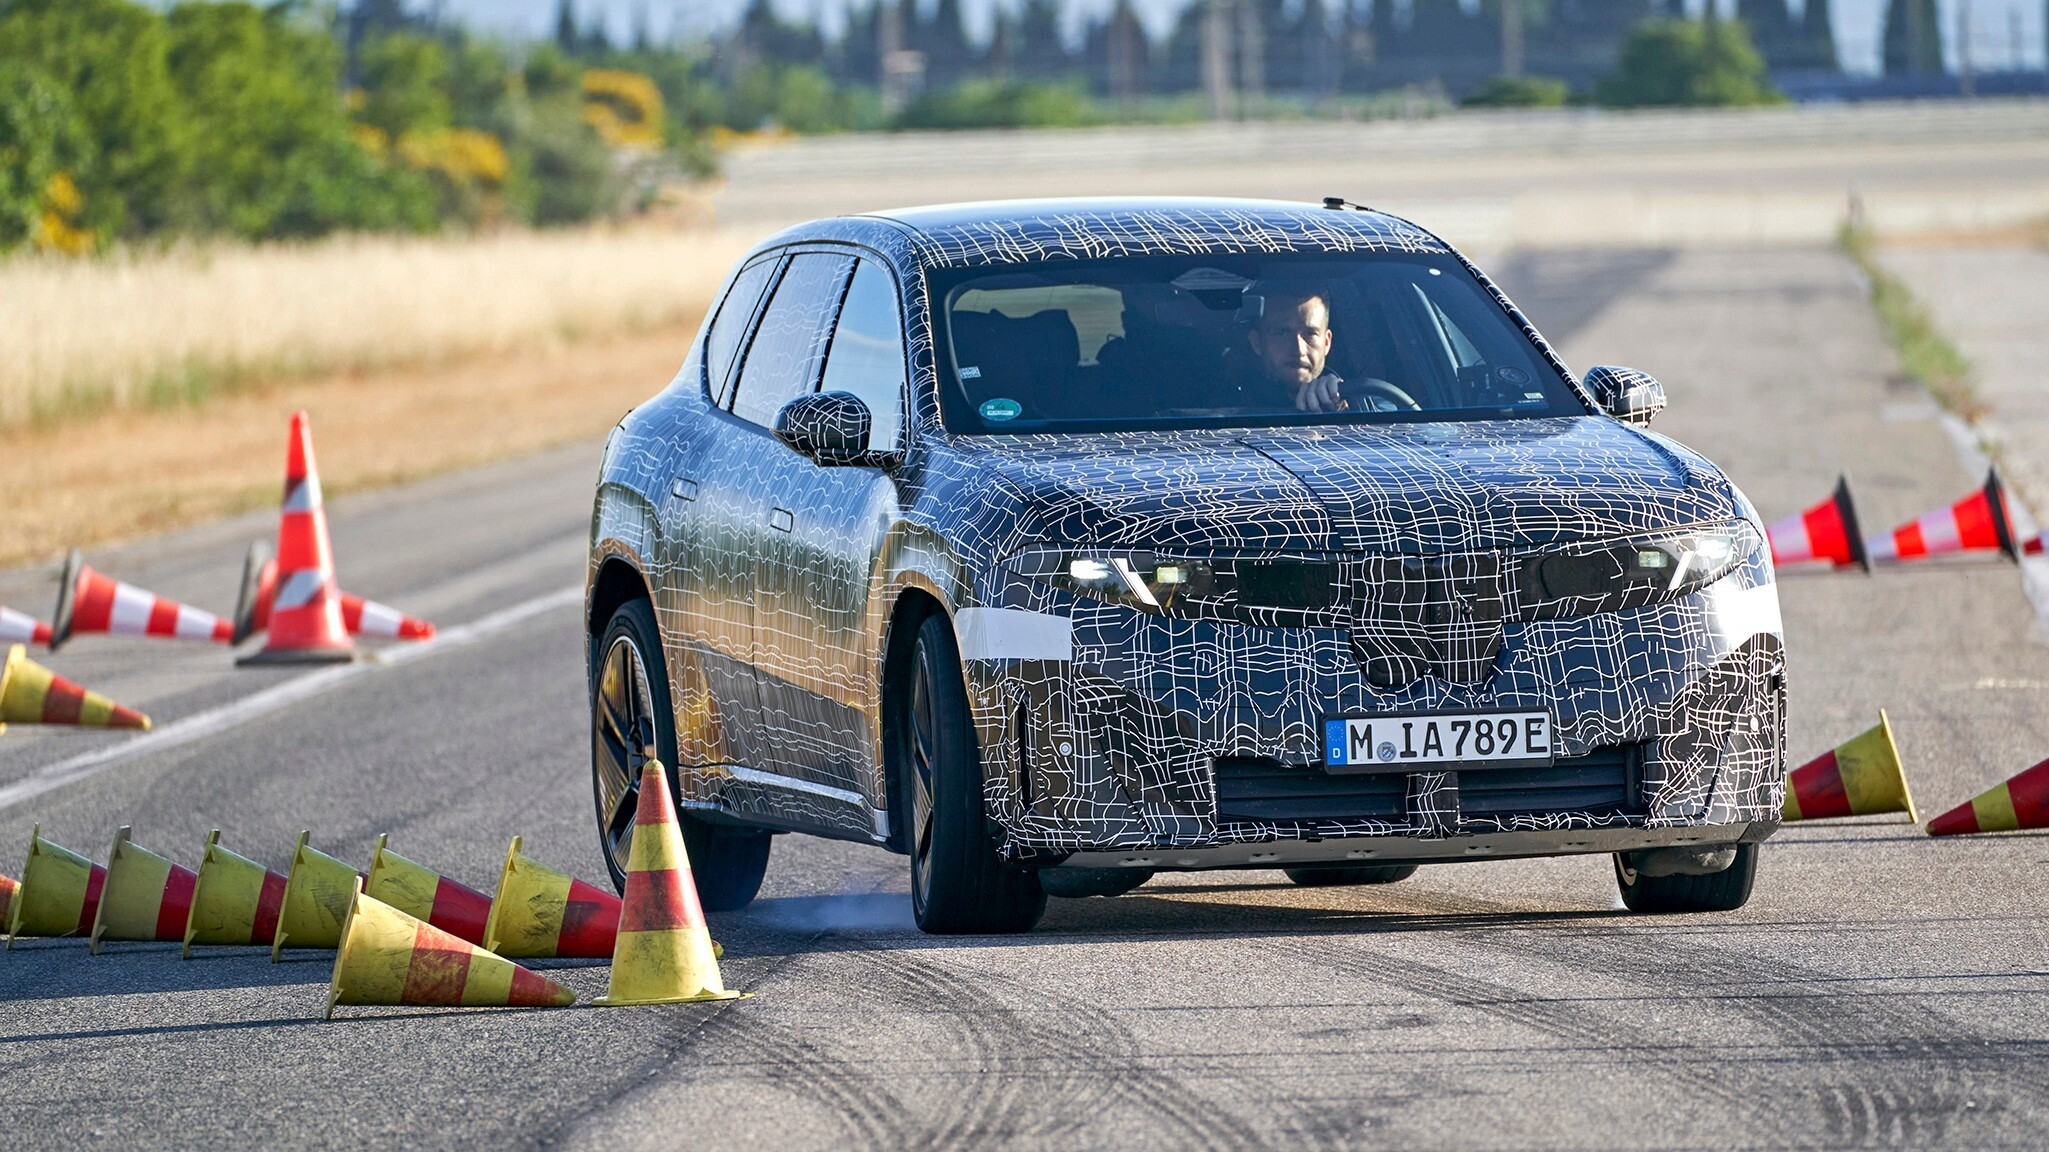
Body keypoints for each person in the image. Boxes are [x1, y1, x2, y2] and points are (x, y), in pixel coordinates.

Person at [1245, 283, 1347, 413]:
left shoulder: (1357, 404)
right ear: (1257, 343)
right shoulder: (1227, 409)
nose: (1298, 350)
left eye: (1310, 334)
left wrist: (1340, 405)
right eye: (1282, 333)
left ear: (1327, 342)